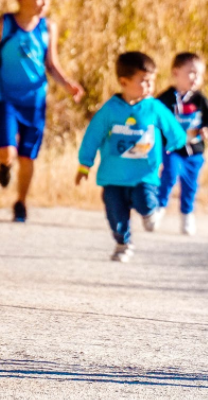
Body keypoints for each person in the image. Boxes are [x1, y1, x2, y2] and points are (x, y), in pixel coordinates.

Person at [0, 0, 84, 222]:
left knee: (28, 156)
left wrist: (67, 84)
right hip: (8, 99)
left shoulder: (48, 27)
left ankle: (21, 202)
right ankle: (4, 165)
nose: (44, 3)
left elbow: (51, 63)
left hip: (35, 102)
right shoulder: (4, 24)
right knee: (7, 151)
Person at [75, 52, 186, 262]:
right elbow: (93, 137)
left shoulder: (154, 107)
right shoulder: (110, 110)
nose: (149, 86)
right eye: (143, 81)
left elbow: (174, 130)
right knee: (115, 214)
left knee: (144, 201)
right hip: (113, 176)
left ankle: (151, 211)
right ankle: (123, 243)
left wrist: (174, 144)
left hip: (144, 174)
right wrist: (84, 165)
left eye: (152, 81)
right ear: (124, 82)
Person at [156, 52, 208, 236]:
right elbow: (155, 118)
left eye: (199, 74)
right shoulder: (166, 98)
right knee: (169, 175)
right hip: (172, 149)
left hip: (194, 150)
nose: (195, 78)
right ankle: (158, 209)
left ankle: (187, 214)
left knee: (190, 185)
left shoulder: (200, 100)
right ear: (176, 72)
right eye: (191, 72)